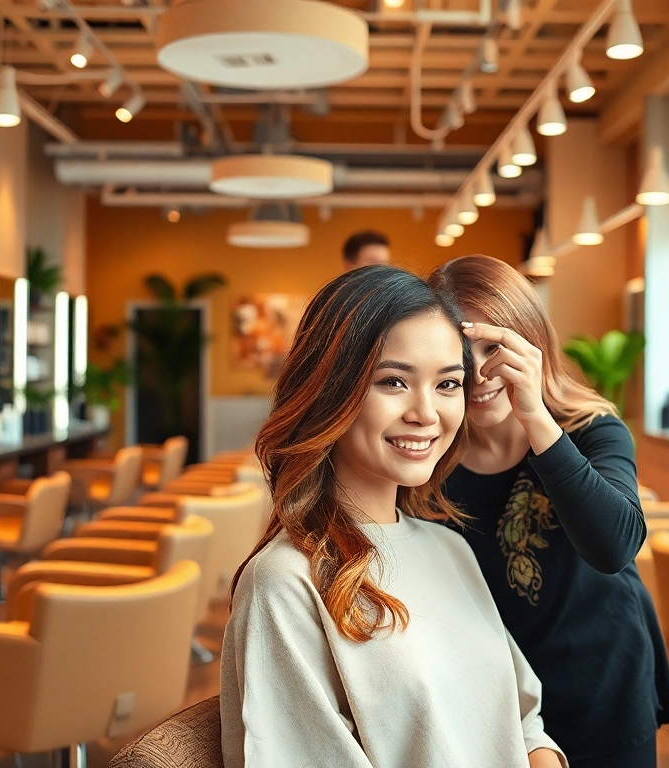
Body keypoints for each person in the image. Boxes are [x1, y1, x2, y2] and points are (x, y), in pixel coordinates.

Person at [221, 265, 567, 768]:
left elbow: (522, 721)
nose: (426, 412)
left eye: (448, 384)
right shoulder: (285, 583)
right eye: (394, 381)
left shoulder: (450, 548)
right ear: (329, 391)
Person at [429, 255, 669, 768]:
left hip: (602, 684)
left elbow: (614, 547)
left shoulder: (593, 430)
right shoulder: (428, 453)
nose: (479, 374)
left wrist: (536, 417)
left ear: (531, 341)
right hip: (493, 699)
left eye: (494, 347)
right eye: (458, 353)